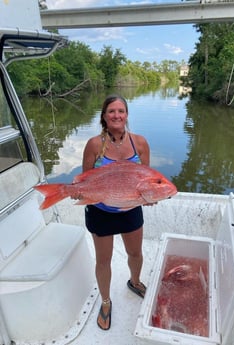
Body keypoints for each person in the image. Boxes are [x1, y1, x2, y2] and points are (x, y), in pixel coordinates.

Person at [81, 94, 150, 331]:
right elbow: (85, 179)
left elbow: (147, 179)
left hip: (130, 208)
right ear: (104, 116)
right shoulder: (93, 144)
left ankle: (135, 281)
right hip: (101, 211)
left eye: (121, 111)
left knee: (135, 253)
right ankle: (106, 302)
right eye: (111, 111)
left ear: (127, 115)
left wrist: (149, 197)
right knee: (104, 260)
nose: (116, 115)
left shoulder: (139, 143)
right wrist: (78, 191)